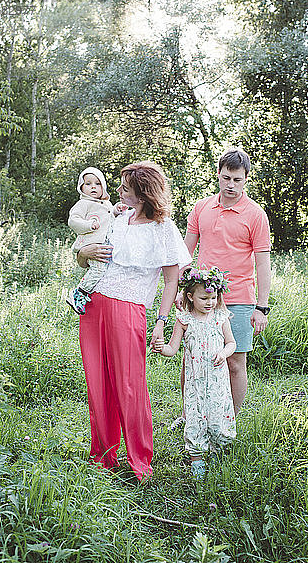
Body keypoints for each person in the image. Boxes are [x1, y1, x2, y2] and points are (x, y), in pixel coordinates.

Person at [77, 161, 192, 482]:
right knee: (98, 383)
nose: (117, 191)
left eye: (125, 188)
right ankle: (104, 454)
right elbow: (86, 256)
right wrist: (86, 250)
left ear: (142, 195)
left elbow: (172, 281)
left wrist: (161, 321)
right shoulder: (118, 217)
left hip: (129, 309)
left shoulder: (163, 229)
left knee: (129, 385)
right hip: (94, 304)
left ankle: (140, 459)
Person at [176, 147, 271, 420]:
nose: (231, 185)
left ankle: (229, 419)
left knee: (234, 362)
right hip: (201, 295)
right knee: (192, 359)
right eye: (226, 178)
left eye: (237, 180)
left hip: (239, 298)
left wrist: (261, 307)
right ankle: (190, 416)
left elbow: (262, 263)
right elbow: (186, 252)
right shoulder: (202, 207)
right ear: (218, 175)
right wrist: (183, 290)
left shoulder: (255, 214)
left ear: (246, 179)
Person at [154, 267, 236, 480]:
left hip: (217, 380)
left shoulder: (220, 317)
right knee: (195, 416)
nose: (210, 302)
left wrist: (224, 353)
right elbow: (172, 349)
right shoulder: (184, 320)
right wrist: (161, 348)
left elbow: (232, 343)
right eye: (204, 298)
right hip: (195, 382)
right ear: (190, 296)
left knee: (218, 412)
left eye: (213, 297)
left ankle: (219, 450)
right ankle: (196, 458)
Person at [66, 167, 126, 315]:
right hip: (91, 244)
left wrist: (116, 211)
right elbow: (73, 221)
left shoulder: (105, 205)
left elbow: (109, 218)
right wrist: (88, 225)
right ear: (81, 187)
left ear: (103, 187)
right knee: (98, 270)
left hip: (103, 244)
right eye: (88, 184)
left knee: (101, 270)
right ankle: (79, 293)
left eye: (97, 184)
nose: (93, 187)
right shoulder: (83, 204)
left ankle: (86, 294)